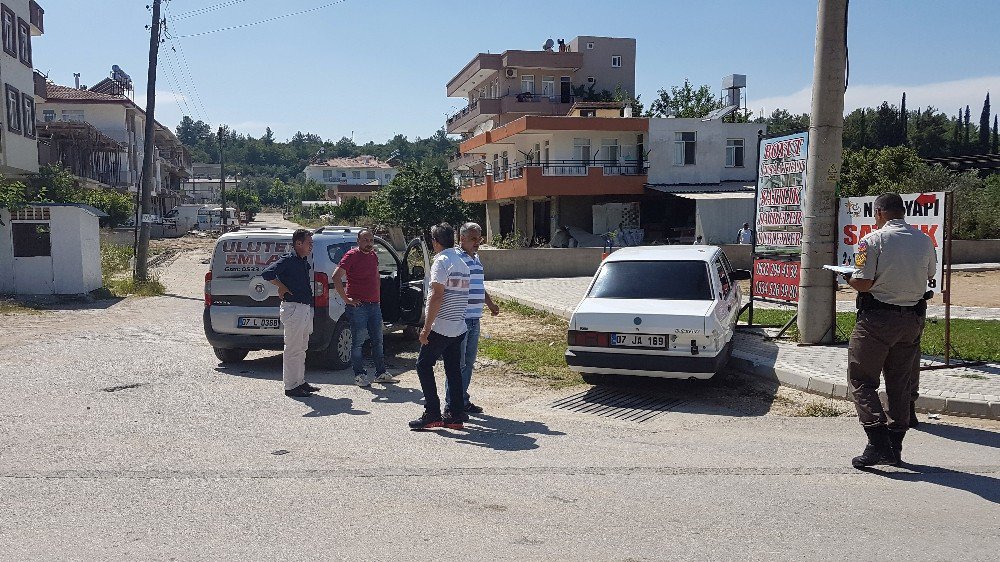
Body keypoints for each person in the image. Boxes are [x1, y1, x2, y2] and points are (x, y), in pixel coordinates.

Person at [841, 193, 936, 468]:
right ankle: (895, 447)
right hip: (912, 320)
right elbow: (930, 274)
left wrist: (847, 276)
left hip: (876, 320)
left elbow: (864, 283)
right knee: (900, 383)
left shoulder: (871, 241)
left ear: (879, 213)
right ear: (902, 212)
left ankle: (877, 441)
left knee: (861, 380)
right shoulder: (924, 240)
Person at [409, 223, 470, 430]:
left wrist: (426, 329)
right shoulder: (463, 261)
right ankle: (455, 414)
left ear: (435, 242)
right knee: (453, 369)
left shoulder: (441, 261)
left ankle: (432, 413)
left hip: (441, 326)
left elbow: (436, 295)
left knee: (423, 365)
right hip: (458, 326)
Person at [444, 222, 500, 421]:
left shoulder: (476, 258)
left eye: (480, 238)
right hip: (460, 318)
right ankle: (451, 404)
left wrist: (491, 304)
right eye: (474, 239)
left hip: (475, 319)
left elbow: (478, 286)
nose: (478, 242)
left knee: (468, 363)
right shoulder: (457, 260)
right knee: (456, 364)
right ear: (462, 239)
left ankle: (462, 399)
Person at [332, 228, 395, 387]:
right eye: (365, 240)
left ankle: (381, 373)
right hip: (358, 307)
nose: (369, 243)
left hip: (374, 306)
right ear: (358, 241)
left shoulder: (373, 255)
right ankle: (359, 375)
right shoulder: (352, 256)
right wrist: (347, 299)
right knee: (358, 342)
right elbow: (336, 276)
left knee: (378, 340)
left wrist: (378, 300)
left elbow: (375, 278)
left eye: (371, 240)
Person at [262, 228, 320, 398]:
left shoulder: (303, 260)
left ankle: (300, 381)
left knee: (302, 347)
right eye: (309, 243)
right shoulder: (288, 259)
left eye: (312, 243)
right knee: (293, 349)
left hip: (304, 307)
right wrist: (281, 286)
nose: (311, 247)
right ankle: (290, 386)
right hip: (293, 308)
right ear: (298, 243)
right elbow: (267, 273)